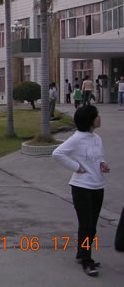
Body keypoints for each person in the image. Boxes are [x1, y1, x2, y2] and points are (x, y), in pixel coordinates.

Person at [52, 105, 109, 277]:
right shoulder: (77, 138)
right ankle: (86, 260)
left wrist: (102, 164)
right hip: (81, 187)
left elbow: (98, 156)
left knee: (92, 227)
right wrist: (77, 167)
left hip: (98, 186)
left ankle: (81, 254)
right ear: (89, 120)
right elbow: (57, 153)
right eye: (96, 116)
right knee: (86, 226)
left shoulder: (97, 138)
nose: (99, 118)